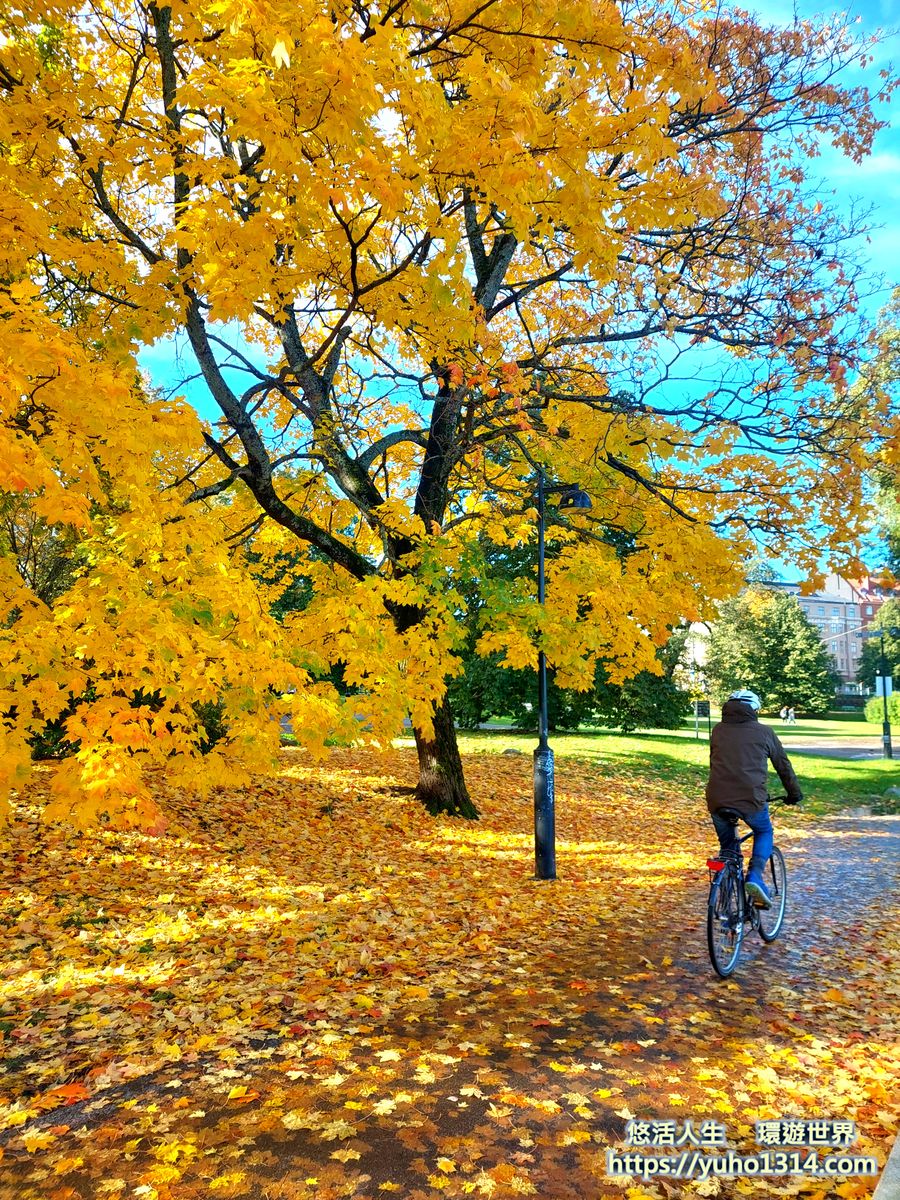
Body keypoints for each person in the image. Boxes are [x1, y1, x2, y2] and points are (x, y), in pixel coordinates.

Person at [706, 689, 803, 909]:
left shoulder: (718, 730)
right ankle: (755, 877)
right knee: (764, 831)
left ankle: (726, 899)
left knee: (728, 848)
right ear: (754, 709)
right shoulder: (764, 732)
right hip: (750, 799)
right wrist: (794, 794)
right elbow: (783, 767)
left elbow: (716, 762)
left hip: (717, 798)